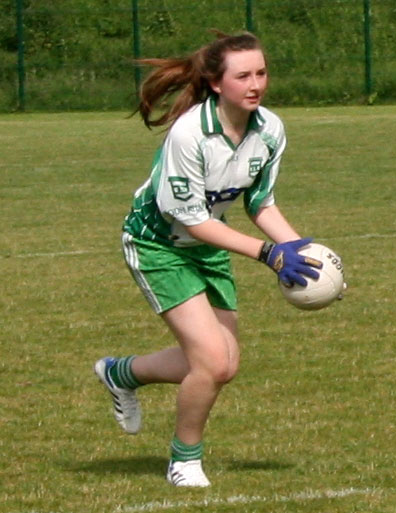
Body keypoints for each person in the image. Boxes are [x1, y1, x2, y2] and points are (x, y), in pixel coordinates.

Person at [94, 31, 322, 488]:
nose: (255, 83)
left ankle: (120, 372)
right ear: (217, 83)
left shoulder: (270, 129)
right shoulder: (190, 133)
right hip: (158, 244)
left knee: (224, 364)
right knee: (214, 362)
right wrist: (268, 254)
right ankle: (184, 459)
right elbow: (194, 222)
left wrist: (309, 259)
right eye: (243, 76)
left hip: (208, 246)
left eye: (261, 73)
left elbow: (261, 204)